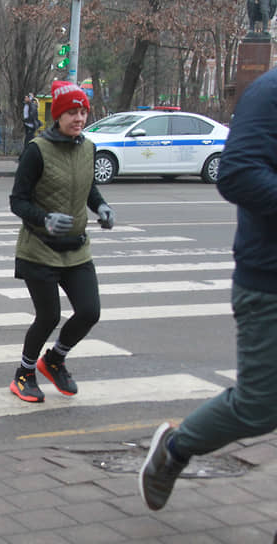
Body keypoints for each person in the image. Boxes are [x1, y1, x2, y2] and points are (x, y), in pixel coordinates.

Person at [139, 67, 277, 512]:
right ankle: (176, 449)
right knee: (259, 407)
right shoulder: (270, 93)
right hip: (270, 281)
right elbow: (235, 173)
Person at [8, 80, 115, 404]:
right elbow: (18, 201)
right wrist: (45, 219)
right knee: (49, 316)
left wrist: (101, 206)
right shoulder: (37, 150)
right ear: (58, 116)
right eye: (72, 112)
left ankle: (54, 360)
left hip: (77, 249)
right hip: (39, 248)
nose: (79, 118)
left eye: (82, 112)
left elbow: (88, 188)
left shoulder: (88, 147)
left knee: (89, 311)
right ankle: (24, 373)